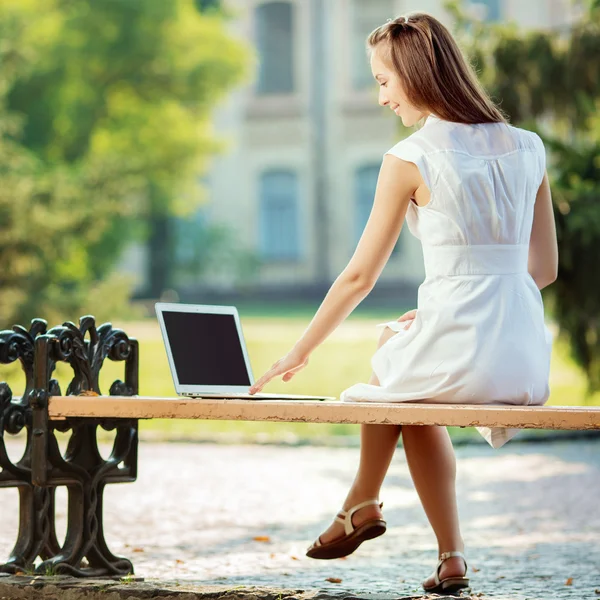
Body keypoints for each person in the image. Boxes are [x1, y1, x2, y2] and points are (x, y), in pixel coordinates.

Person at [249, 11, 558, 596]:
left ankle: (363, 500)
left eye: (384, 81)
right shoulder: (530, 147)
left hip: (464, 344)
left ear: (415, 76)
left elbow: (359, 276)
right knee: (403, 367)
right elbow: (543, 271)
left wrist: (298, 353)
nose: (382, 96)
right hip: (522, 352)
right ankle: (449, 556)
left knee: (387, 379)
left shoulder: (410, 158)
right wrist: (462, 304)